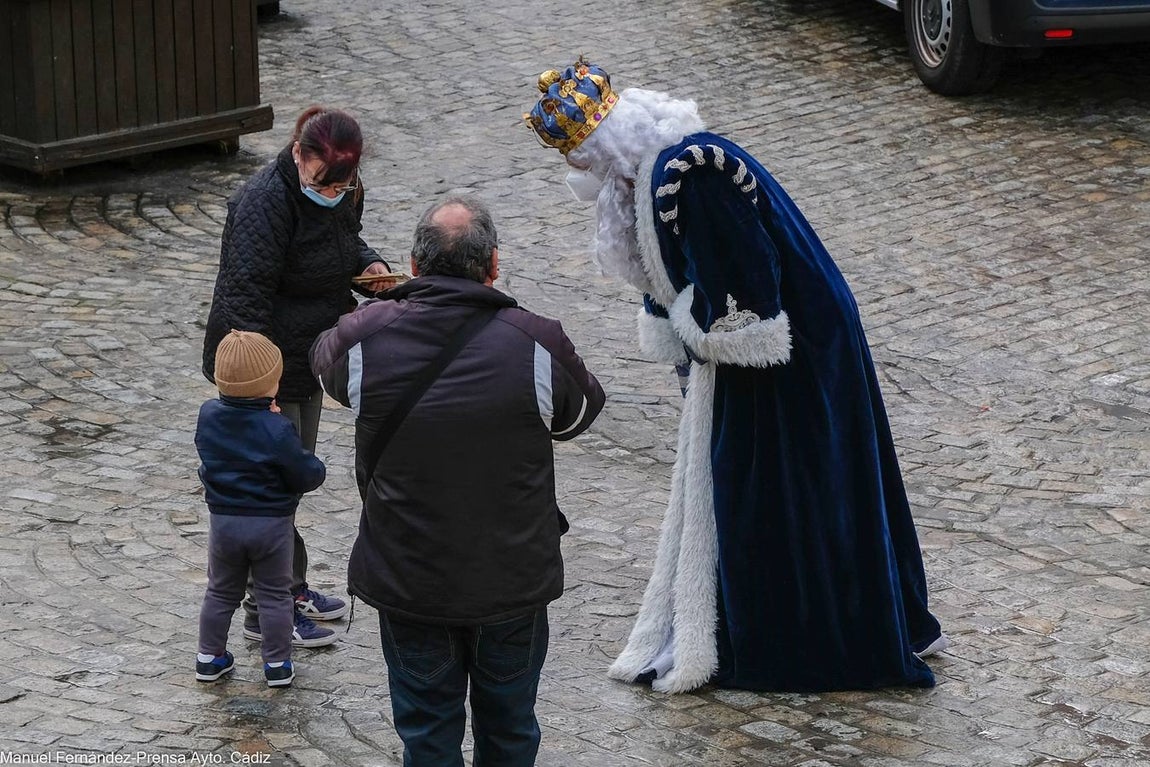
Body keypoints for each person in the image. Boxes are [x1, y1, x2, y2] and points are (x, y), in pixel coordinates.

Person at [524, 59, 950, 694]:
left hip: (789, 350)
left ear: (601, 144)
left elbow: (744, 284)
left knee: (775, 484)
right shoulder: (654, 176)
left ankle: (800, 636)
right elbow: (672, 277)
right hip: (766, 344)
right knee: (760, 479)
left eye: (578, 159)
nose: (577, 176)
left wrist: (706, 345)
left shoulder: (689, 175)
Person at [311, 196, 605, 766]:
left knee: (427, 735)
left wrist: (384, 306)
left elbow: (323, 359)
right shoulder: (540, 343)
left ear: (414, 267)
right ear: (493, 265)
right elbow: (578, 414)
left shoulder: (363, 340)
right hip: (511, 580)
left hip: (411, 578)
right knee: (511, 731)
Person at [202, 106, 391, 647]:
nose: (334, 193)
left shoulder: (344, 186)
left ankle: (290, 583)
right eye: (323, 183)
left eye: (343, 186)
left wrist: (370, 266)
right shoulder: (263, 205)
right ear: (298, 154)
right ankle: (269, 608)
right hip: (261, 369)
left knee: (285, 483)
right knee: (271, 489)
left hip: (307, 352)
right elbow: (245, 301)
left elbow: (342, 241)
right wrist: (259, 399)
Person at [195, 330, 327, 688]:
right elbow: (303, 472)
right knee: (272, 595)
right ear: (271, 385)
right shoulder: (277, 427)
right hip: (270, 526)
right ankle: (278, 665)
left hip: (224, 522)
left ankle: (209, 658)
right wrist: (317, 467)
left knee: (220, 591)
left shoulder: (208, 415)